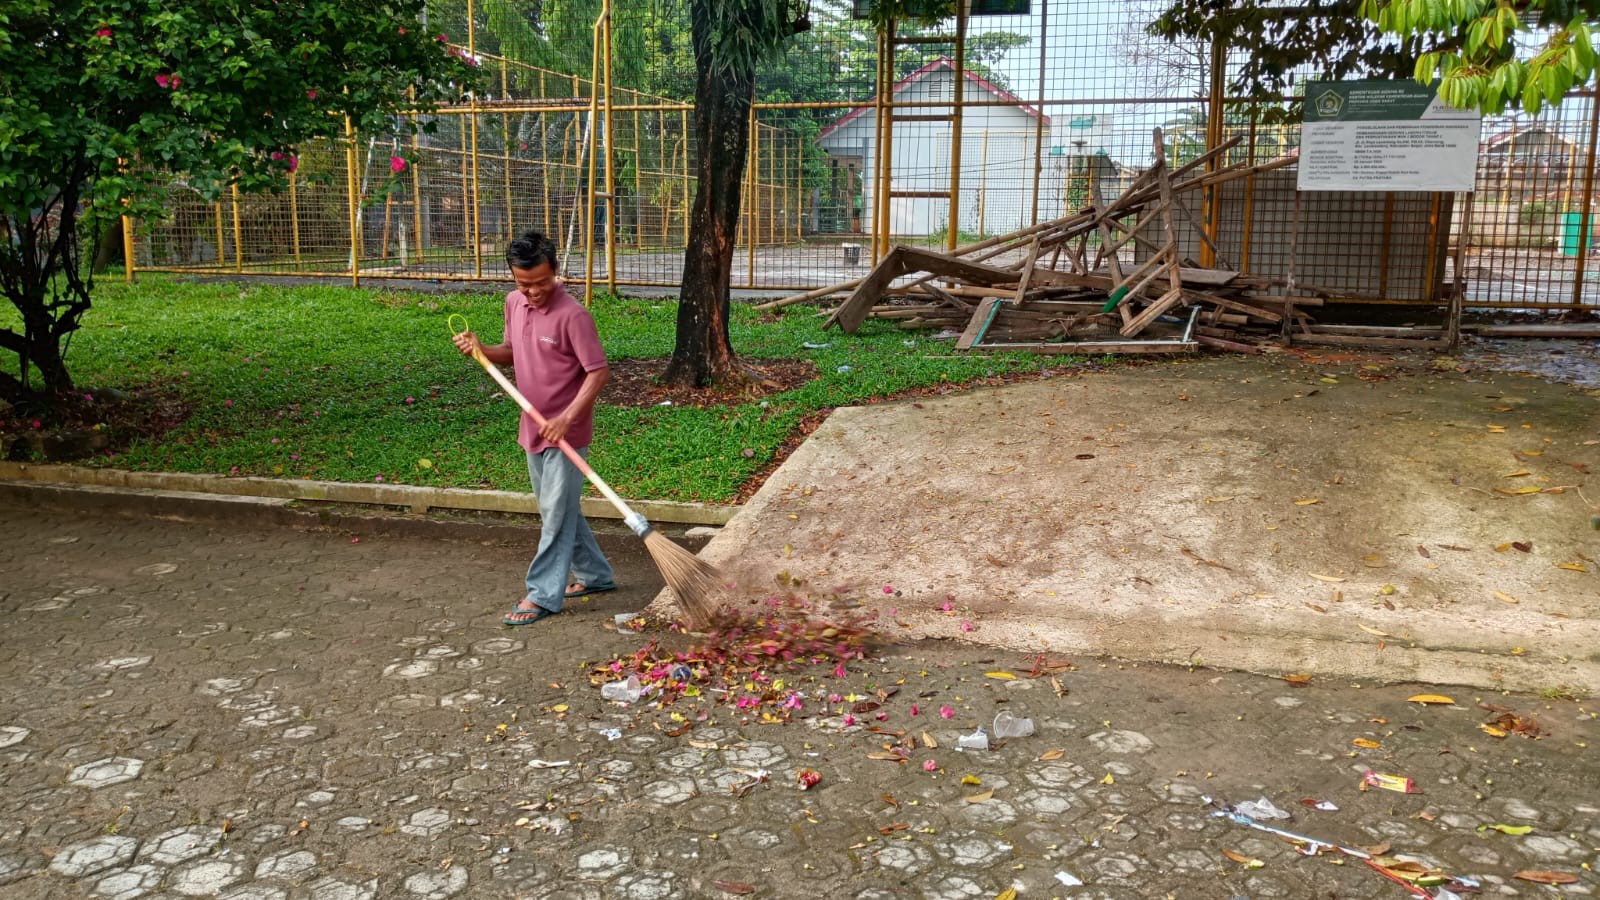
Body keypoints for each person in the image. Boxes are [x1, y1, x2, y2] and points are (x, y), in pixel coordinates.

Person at [453, 230, 617, 625]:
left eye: (542, 283)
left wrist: (567, 418)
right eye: (524, 283)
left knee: (555, 515)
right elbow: (511, 352)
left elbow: (598, 373)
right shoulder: (514, 303)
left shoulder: (573, 316)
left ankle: (543, 594)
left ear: (556, 272)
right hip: (533, 426)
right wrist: (480, 348)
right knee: (558, 510)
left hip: (566, 432)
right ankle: (596, 575)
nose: (533, 292)